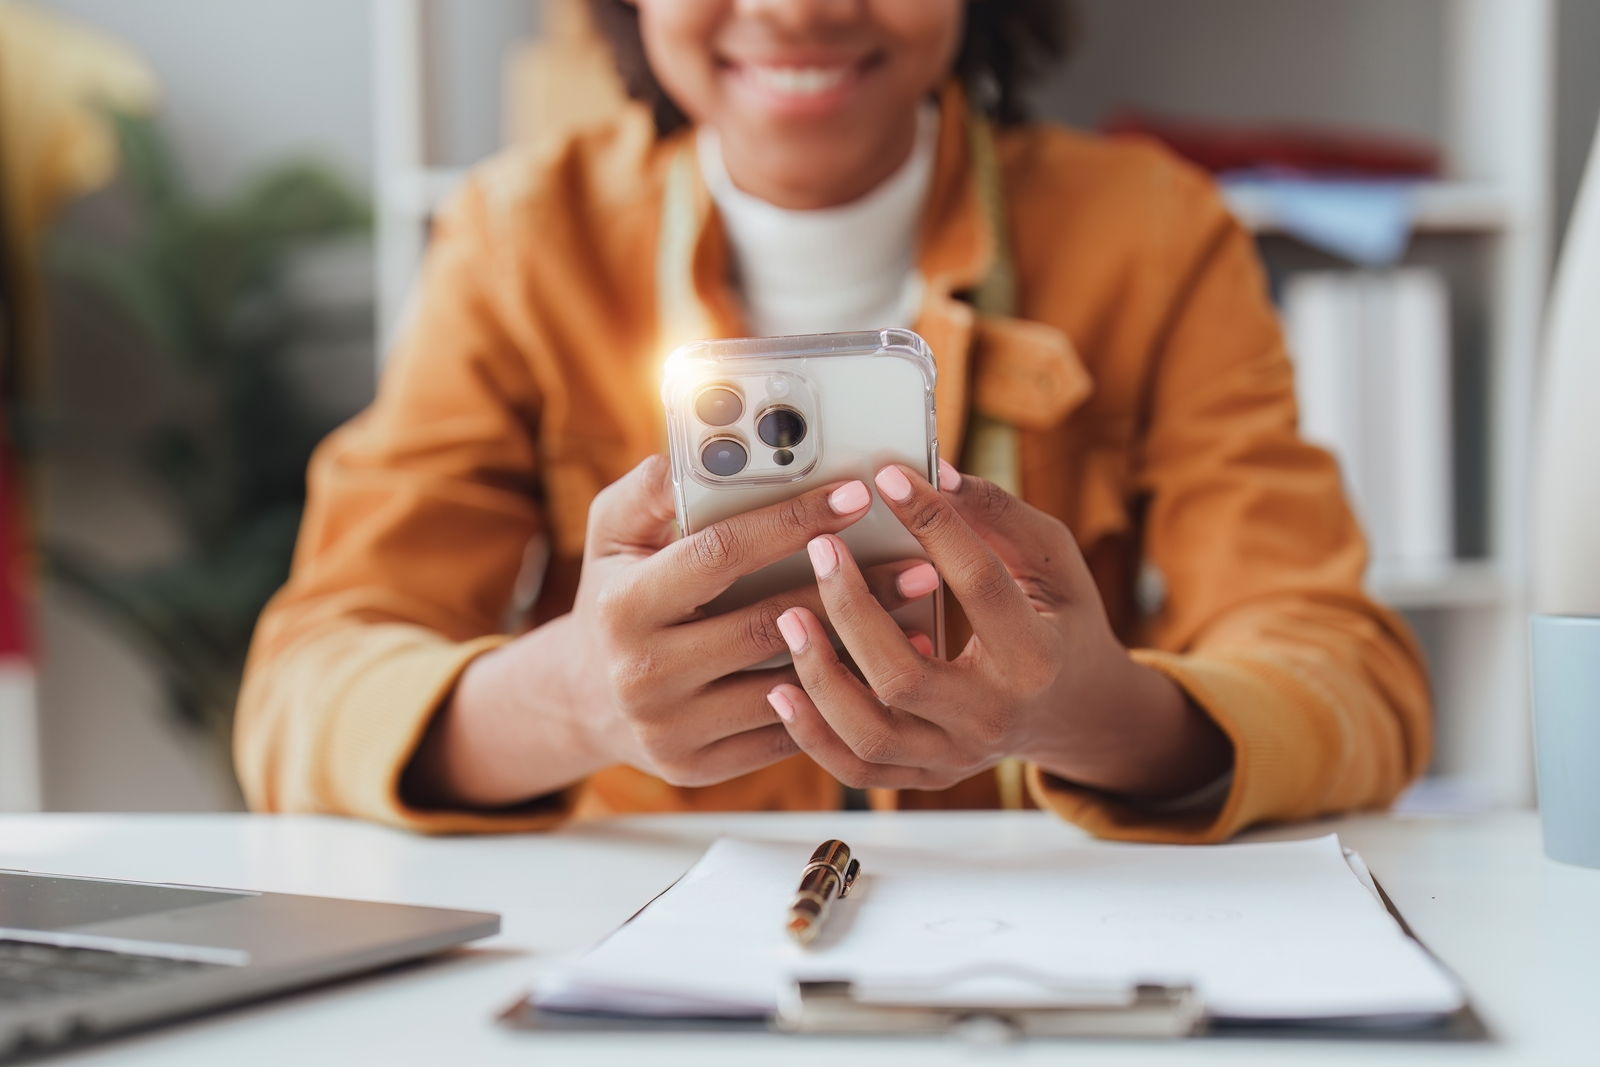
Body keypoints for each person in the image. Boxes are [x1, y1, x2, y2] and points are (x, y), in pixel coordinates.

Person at [235, 0, 1430, 841]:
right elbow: (301, 690)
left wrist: (1096, 712)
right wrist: (567, 697)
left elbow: (1354, 684)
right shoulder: (516, 242)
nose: (797, 8)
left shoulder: (1156, 233)